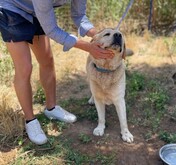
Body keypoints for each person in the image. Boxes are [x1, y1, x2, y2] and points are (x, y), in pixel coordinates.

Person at [0, 0, 114, 145]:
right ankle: (30, 120)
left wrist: (102, 36)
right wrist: (88, 47)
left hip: (38, 11)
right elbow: (52, 30)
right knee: (25, 67)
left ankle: (51, 108)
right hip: (13, 9)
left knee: (47, 60)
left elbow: (79, 16)